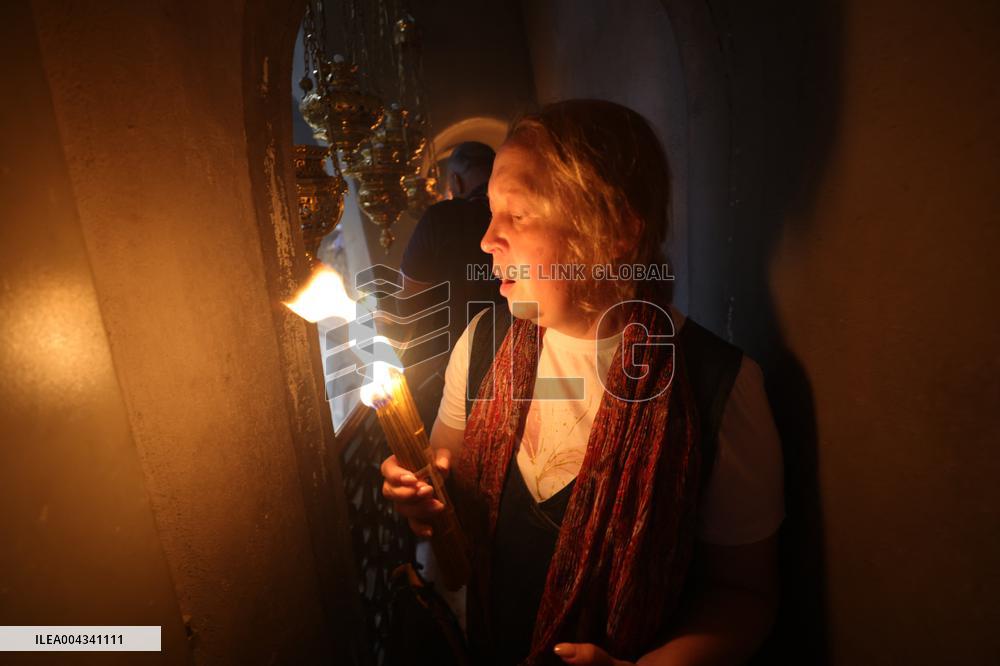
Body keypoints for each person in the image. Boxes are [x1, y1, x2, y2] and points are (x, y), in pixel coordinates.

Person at [382, 100, 784, 665]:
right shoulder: (482, 344)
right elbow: (446, 509)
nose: (486, 239)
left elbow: (743, 596)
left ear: (615, 231)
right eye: (490, 212)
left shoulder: (720, 387)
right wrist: (422, 502)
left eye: (516, 216)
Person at [400, 141, 502, 429]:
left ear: (455, 181)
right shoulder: (521, 215)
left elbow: (407, 300)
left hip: (454, 366)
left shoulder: (441, 219)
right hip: (528, 353)